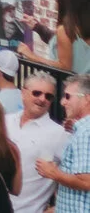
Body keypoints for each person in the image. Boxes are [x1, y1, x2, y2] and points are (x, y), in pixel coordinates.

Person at [12, 74, 68, 213]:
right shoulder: (4, 121)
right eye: (37, 93)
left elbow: (78, 176)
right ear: (23, 93)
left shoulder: (59, 134)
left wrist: (56, 209)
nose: (42, 99)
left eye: (48, 96)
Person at [34, 77, 90, 213]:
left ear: (87, 99)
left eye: (68, 96)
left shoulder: (85, 132)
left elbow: (86, 181)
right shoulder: (81, 130)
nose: (62, 102)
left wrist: (54, 173)